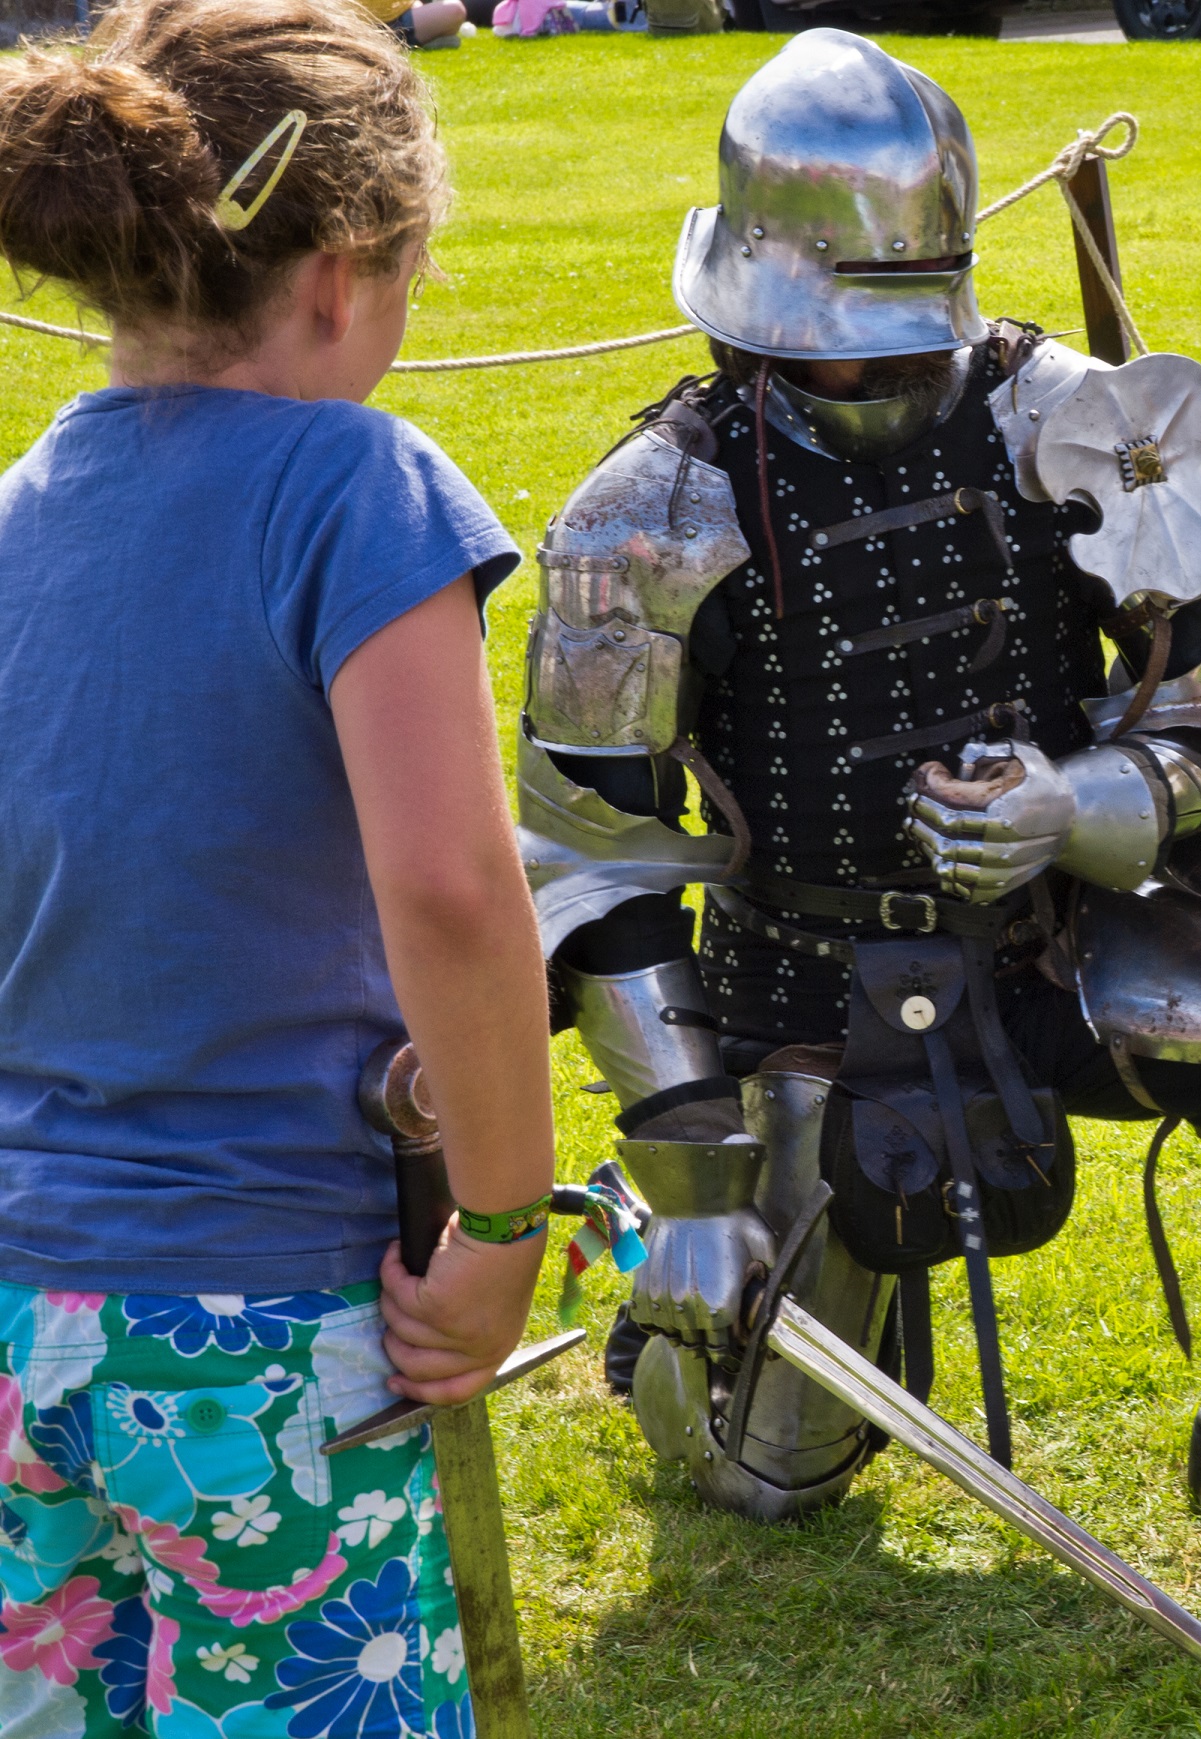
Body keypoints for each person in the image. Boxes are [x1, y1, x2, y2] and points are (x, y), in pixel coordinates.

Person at [524, 28, 1201, 1560]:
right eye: (841, 330)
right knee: (773, 1482)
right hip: (813, 997)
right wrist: (694, 1192)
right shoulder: (647, 519)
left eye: (910, 326)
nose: (887, 364)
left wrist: (1083, 799)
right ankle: (669, 1309)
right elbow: (587, 866)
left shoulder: (1086, 422)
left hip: (1062, 940)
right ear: (754, 306)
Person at [0, 0, 551, 1730]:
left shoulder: (20, 506)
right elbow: (453, 888)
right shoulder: (356, 484)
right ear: (347, 268)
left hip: (20, 1317)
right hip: (260, 1342)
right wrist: (505, 1219)